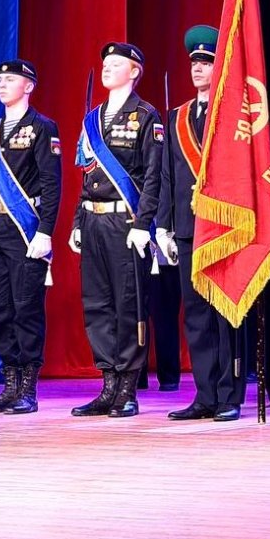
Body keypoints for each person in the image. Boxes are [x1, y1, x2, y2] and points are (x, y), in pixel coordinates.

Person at [69, 42, 164, 419]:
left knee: (128, 304)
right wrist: (77, 221)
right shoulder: (92, 118)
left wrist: (143, 224)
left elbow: (154, 177)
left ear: (134, 71)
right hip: (93, 220)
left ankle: (127, 388)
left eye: (115, 63)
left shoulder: (146, 116)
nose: (106, 68)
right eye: (104, 63)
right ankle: (107, 384)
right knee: (97, 304)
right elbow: (86, 174)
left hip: (125, 222)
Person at [157, 25, 246, 422]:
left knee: (225, 315)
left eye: (206, 62)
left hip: (222, 228)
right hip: (188, 229)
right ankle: (205, 394)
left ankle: (229, 395)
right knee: (195, 316)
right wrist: (164, 226)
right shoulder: (177, 117)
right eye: (194, 61)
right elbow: (167, 176)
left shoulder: (233, 114)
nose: (197, 68)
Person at [0, 59, 61, 415]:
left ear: (29, 86)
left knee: (26, 308)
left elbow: (52, 185)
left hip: (25, 229)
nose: (2, 84)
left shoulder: (42, 128)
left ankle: (28, 388)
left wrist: (45, 231)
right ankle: (9, 384)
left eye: (10, 79)